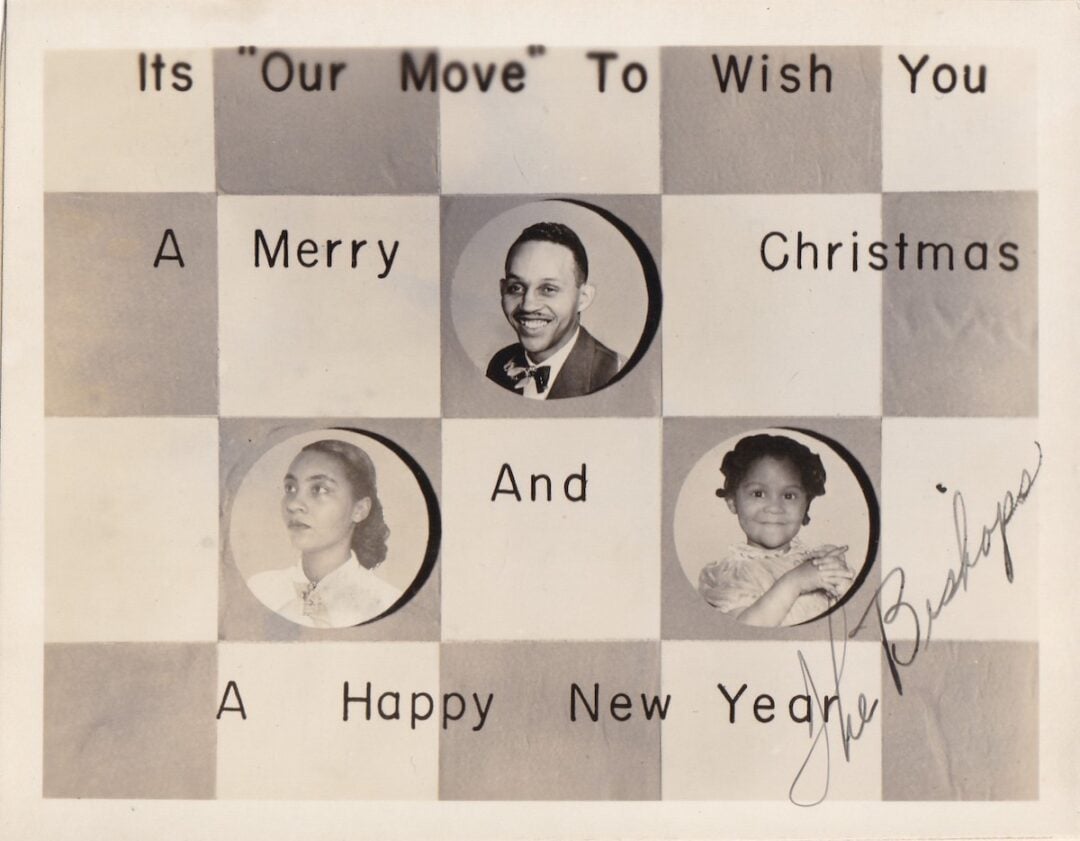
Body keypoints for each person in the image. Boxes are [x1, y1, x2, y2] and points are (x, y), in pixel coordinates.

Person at [698, 434, 854, 627]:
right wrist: (796, 581)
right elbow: (744, 634)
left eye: (789, 495)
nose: (774, 507)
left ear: (805, 505)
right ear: (732, 502)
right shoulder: (728, 575)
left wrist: (839, 580)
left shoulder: (811, 563)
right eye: (758, 494)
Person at [246, 439, 402, 628]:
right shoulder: (259, 589)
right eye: (290, 488)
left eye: (319, 489)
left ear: (359, 509)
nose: (293, 504)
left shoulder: (387, 602)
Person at [486, 221, 623, 399]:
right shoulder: (500, 363)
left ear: (583, 298)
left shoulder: (614, 374)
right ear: (502, 289)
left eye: (548, 289)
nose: (528, 305)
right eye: (516, 288)